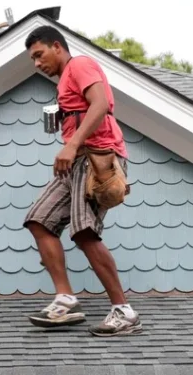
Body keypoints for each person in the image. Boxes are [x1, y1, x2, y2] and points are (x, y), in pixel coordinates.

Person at [22, 25, 141, 337]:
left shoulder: (80, 64)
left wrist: (73, 144)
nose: (37, 63)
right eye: (32, 59)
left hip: (96, 156)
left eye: (39, 54)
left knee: (84, 232)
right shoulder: (64, 81)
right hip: (75, 162)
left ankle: (123, 311)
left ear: (57, 47)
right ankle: (65, 299)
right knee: (39, 220)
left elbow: (100, 104)